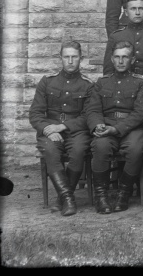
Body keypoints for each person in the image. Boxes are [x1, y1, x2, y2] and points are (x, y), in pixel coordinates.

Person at [29, 41, 93, 216]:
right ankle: (69, 199)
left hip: (76, 131)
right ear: (61, 58)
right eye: (67, 57)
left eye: (74, 57)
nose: (70, 61)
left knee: (79, 151)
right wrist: (49, 128)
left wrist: (63, 126)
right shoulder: (47, 82)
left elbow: (88, 116)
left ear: (81, 59)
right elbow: (35, 113)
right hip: (50, 130)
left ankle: (61, 199)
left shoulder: (88, 85)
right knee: (51, 150)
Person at [86, 41, 143, 213]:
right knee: (100, 146)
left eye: (125, 57)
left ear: (133, 60)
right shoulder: (101, 83)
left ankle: (124, 193)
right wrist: (97, 124)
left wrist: (117, 129)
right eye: (117, 57)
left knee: (136, 148)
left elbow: (139, 113)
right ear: (112, 60)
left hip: (131, 128)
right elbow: (93, 109)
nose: (121, 61)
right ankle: (101, 196)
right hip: (105, 126)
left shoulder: (142, 83)